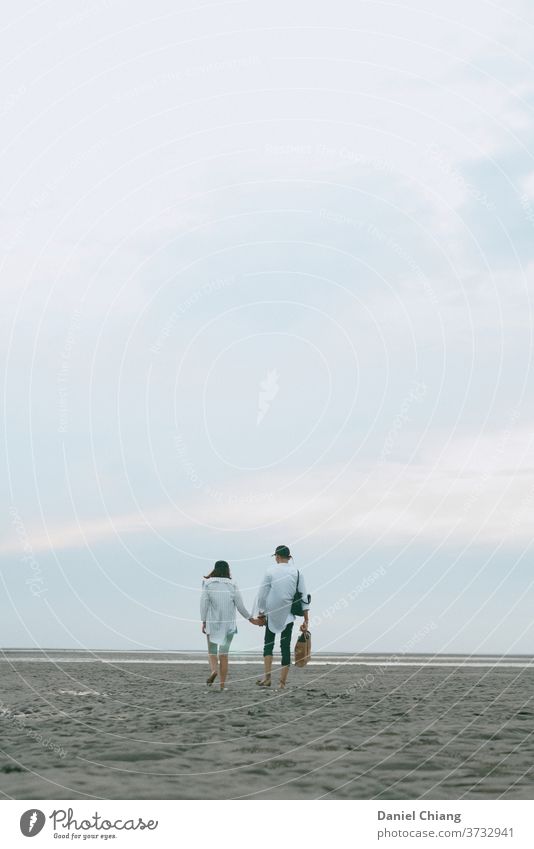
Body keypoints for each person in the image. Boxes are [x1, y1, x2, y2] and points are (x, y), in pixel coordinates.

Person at [255, 544, 310, 689]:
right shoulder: (297, 572)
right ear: (289, 557)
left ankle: (267, 678)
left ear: (277, 557)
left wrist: (261, 612)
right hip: (288, 615)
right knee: (285, 647)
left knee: (268, 644)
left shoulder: (270, 571)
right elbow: (304, 596)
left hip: (271, 613)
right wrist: (306, 619)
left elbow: (262, 594)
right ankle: (282, 683)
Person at [200, 560, 259, 690]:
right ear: (228, 571)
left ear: (214, 570)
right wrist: (250, 618)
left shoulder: (207, 584)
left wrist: (203, 621)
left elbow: (203, 604)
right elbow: (240, 606)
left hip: (212, 623)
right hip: (229, 626)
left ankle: (213, 671)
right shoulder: (232, 585)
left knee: (212, 652)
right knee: (224, 655)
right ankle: (222, 686)